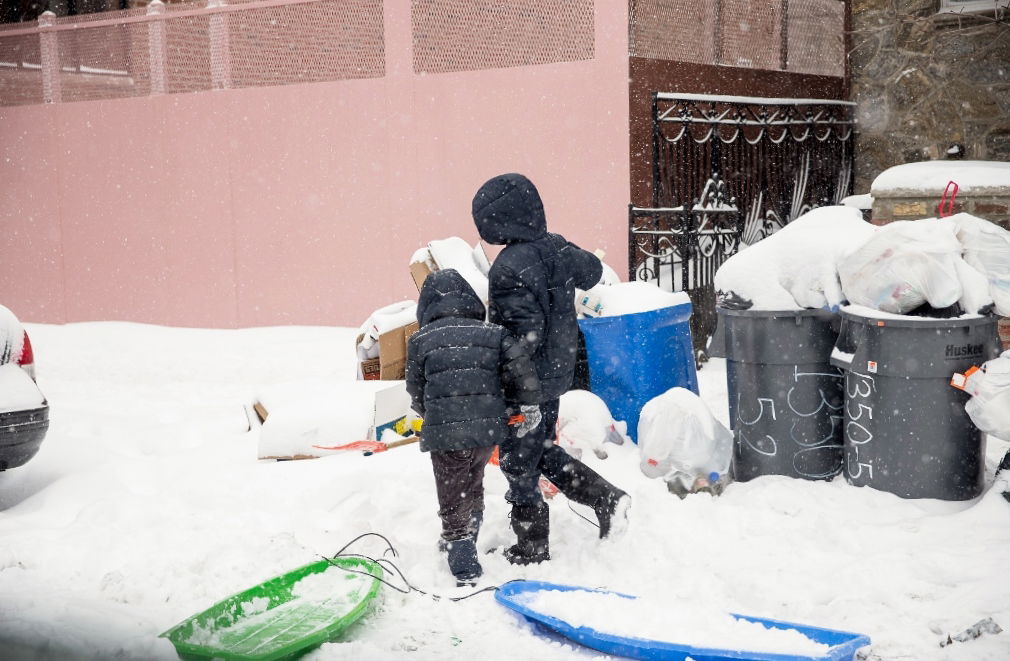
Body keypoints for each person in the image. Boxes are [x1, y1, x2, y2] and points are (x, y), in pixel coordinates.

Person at [471, 172, 631, 565]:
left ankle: (532, 545)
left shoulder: (508, 267)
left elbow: (521, 337)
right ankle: (608, 500)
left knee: (517, 460)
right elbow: (593, 272)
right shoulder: (555, 247)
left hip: (527, 384)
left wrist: (508, 387)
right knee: (541, 450)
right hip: (558, 375)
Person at [405, 269, 542, 585]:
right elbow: (521, 368)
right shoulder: (493, 333)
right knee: (472, 479)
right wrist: (528, 404)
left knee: (451, 490)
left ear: (426, 306)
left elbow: (415, 386)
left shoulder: (420, 340)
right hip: (487, 429)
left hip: (446, 433)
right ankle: (467, 535)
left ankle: (463, 560)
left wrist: (431, 414)